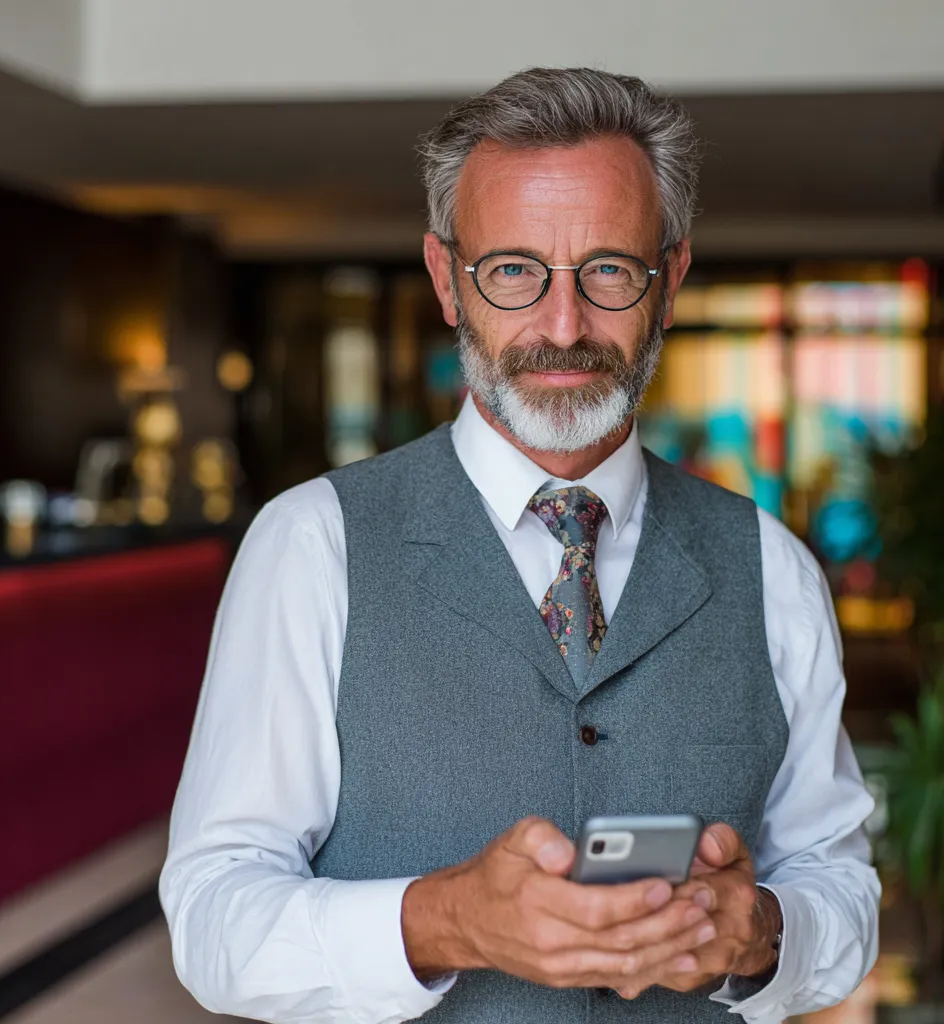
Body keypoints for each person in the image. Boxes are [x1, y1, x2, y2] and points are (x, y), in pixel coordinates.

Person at [160, 68, 879, 1023]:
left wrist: (760, 937)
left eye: (609, 271)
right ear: (446, 280)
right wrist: (443, 923)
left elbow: (841, 885)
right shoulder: (310, 545)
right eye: (513, 270)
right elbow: (213, 920)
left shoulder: (772, 568)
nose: (563, 325)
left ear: (671, 283)